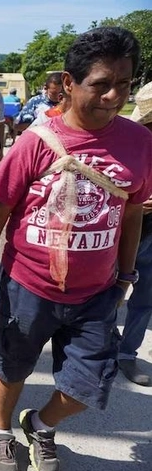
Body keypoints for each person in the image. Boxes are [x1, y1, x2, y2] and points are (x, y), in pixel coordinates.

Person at [0, 27, 152, 471]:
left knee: (88, 385)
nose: (114, 95)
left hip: (98, 293)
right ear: (69, 83)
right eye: (102, 84)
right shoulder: (36, 140)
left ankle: (41, 425)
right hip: (27, 286)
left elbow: (131, 214)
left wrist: (126, 273)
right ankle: (2, 431)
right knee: (11, 368)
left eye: (125, 84)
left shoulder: (139, 142)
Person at [118, 80, 152, 386]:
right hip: (121, 233)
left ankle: (127, 354)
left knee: (145, 300)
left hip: (151, 237)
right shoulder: (128, 142)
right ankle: (103, 339)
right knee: (111, 293)